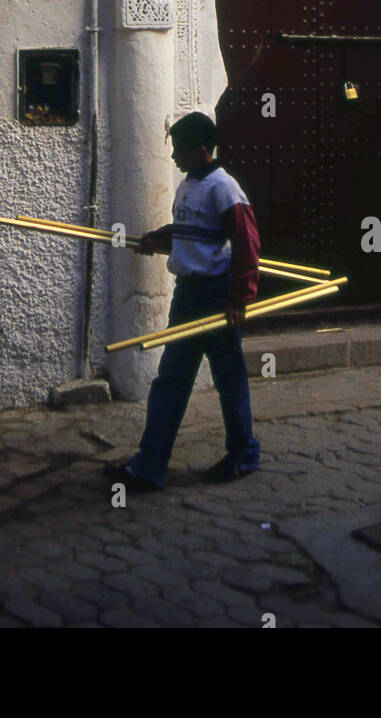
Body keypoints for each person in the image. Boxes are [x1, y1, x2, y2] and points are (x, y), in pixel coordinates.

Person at [108, 112, 262, 491]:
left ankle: (244, 455)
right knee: (171, 380)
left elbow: (247, 246)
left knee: (229, 379)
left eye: (178, 150)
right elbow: (188, 230)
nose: (173, 157)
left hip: (216, 295)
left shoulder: (225, 189)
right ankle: (150, 464)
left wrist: (240, 299)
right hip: (188, 295)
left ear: (199, 149)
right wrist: (158, 240)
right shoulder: (188, 185)